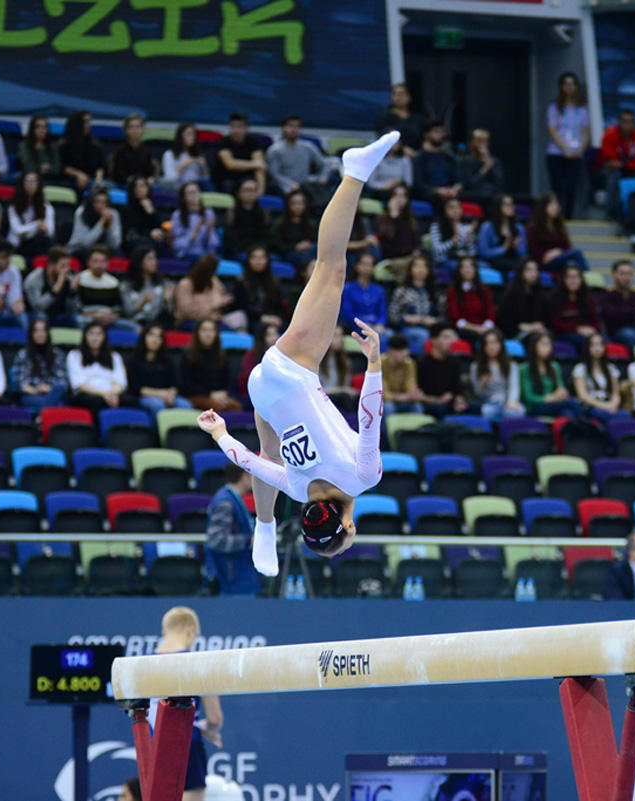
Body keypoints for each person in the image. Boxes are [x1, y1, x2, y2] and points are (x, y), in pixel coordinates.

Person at [197, 132, 398, 570]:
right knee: (268, 455)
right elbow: (247, 459)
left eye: (347, 541)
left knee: (331, 268)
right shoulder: (295, 489)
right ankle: (264, 530)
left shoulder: (365, 478)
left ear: (346, 527)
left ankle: (354, 172)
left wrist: (374, 363)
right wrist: (217, 433)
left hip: (290, 370)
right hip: (263, 393)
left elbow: (370, 417)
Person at [153, 606, 223, 801]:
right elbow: (215, 718)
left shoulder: (143, 664)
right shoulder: (198, 663)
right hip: (187, 744)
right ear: (190, 631)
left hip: (153, 747)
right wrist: (210, 728)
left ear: (164, 632)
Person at [205, 462, 260, 594]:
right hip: (230, 580)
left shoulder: (233, 499)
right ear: (244, 476)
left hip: (239, 577)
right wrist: (248, 541)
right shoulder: (225, 503)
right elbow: (217, 540)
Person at [545, 72, 589, 218]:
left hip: (576, 153)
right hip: (556, 153)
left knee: (571, 188)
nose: (569, 88)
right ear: (561, 87)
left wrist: (580, 150)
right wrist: (565, 149)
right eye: (566, 84)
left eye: (572, 84)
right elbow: (552, 130)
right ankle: (555, 217)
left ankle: (568, 217)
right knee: (557, 187)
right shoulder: (554, 108)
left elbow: (585, 132)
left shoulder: (582, 110)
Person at [128, 322, 193, 418]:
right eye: (151, 335)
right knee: (157, 405)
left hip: (167, 395)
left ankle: (184, 433)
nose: (155, 340)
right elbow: (136, 388)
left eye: (159, 337)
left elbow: (175, 384)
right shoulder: (134, 360)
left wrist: (170, 394)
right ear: (144, 337)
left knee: (186, 405)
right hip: (145, 396)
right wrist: (160, 394)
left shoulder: (168, 360)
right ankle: (158, 433)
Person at [266, 114, 331, 205]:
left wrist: (322, 178)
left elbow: (324, 165)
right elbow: (274, 174)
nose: (293, 130)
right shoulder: (275, 150)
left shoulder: (308, 147)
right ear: (283, 128)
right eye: (290, 126)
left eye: (297, 127)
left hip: (306, 186)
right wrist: (289, 184)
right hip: (284, 189)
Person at [182, 318, 241, 411]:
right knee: (217, 407)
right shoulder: (188, 355)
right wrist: (210, 394)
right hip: (197, 396)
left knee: (236, 406)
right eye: (204, 330)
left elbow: (227, 379)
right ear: (197, 333)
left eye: (211, 330)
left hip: (218, 396)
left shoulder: (222, 355)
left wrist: (223, 393)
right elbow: (187, 384)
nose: (208, 334)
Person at [599, 109, 635, 220]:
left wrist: (624, 165)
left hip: (630, 169)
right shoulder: (610, 134)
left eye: (631, 122)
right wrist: (624, 164)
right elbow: (610, 161)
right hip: (611, 170)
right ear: (619, 122)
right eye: (625, 121)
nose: (628, 125)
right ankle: (610, 213)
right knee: (614, 176)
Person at [67, 321, 127, 411]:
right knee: (95, 402)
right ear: (85, 336)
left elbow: (120, 382)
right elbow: (79, 385)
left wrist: (111, 394)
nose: (95, 338)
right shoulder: (74, 355)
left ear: (104, 337)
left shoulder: (114, 356)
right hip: (87, 394)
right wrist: (104, 394)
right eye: (91, 334)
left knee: (132, 401)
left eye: (99, 334)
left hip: (112, 393)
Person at [11, 318, 68, 410]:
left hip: (53, 392)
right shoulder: (23, 354)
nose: (40, 334)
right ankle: (45, 413)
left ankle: (41, 417)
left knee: (58, 390)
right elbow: (19, 383)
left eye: (43, 331)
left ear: (48, 334)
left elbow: (63, 382)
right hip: (31, 395)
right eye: (36, 331)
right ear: (31, 334)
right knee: (50, 403)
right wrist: (36, 390)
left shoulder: (58, 354)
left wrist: (49, 388)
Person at [388, 255, 441, 351]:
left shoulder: (433, 292)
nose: (421, 270)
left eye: (424, 266)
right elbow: (392, 316)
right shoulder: (401, 291)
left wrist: (434, 321)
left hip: (431, 329)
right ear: (410, 270)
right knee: (423, 336)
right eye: (417, 266)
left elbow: (442, 316)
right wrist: (406, 319)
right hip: (406, 328)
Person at [519, 331, 578, 417]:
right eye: (543, 344)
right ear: (534, 347)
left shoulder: (554, 366)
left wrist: (562, 392)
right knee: (572, 403)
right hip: (535, 407)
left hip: (554, 404)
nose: (548, 348)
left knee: (567, 413)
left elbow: (560, 386)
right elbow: (527, 397)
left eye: (549, 344)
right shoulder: (524, 368)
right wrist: (549, 398)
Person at [526, 193, 589, 273]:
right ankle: (588, 276)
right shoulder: (532, 227)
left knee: (573, 261)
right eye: (552, 204)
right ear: (544, 206)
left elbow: (568, 247)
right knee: (577, 253)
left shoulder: (560, 227)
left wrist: (558, 252)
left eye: (557, 204)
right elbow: (533, 249)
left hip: (559, 259)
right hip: (542, 262)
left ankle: (585, 278)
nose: (556, 207)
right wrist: (547, 255)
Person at [74, 245, 132, 330]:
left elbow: (118, 308)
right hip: (87, 318)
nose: (99, 265)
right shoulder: (80, 279)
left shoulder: (113, 282)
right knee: (79, 321)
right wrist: (93, 315)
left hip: (109, 319)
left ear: (107, 263)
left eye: (102, 262)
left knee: (133, 327)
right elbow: (76, 307)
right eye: (95, 261)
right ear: (88, 262)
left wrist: (112, 317)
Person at [470, 329, 523, 420]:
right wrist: (482, 384)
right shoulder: (475, 366)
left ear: (501, 345)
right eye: (487, 343)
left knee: (514, 413)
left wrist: (512, 401)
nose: (491, 347)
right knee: (486, 412)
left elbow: (514, 386)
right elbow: (478, 394)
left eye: (494, 343)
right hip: (488, 403)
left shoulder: (510, 364)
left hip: (508, 400)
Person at [173, 254, 235, 330]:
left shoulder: (214, 281)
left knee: (230, 333)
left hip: (214, 320)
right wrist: (213, 306)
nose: (213, 273)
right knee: (208, 331)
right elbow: (187, 312)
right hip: (190, 321)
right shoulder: (185, 285)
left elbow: (222, 296)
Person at [419, 323, 469, 416]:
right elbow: (418, 394)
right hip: (429, 405)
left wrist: (459, 399)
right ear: (434, 340)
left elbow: (457, 388)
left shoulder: (454, 362)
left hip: (450, 403)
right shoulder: (422, 363)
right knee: (439, 409)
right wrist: (438, 400)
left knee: (476, 408)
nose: (451, 342)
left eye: (451, 338)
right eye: (446, 337)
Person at [571, 332, 623, 421]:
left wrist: (613, 405)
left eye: (600, 345)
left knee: (625, 415)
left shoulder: (611, 368)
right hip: (591, 406)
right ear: (587, 348)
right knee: (606, 416)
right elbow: (582, 396)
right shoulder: (580, 369)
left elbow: (616, 394)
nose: (597, 349)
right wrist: (604, 406)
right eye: (593, 345)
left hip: (608, 403)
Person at [547, 263, 599, 349]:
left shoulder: (588, 299)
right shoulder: (554, 298)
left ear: (581, 280)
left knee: (602, 340)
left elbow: (596, 322)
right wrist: (577, 329)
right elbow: (555, 324)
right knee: (584, 341)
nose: (573, 280)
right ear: (563, 279)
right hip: (564, 333)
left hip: (586, 332)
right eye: (569, 277)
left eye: (576, 277)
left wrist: (592, 330)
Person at [234, 245, 284, 332]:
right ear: (248, 260)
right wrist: (262, 318)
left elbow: (278, 305)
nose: (258, 261)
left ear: (267, 260)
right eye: (254, 258)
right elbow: (241, 306)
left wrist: (276, 318)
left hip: (272, 319)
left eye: (261, 258)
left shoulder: (274, 281)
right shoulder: (241, 281)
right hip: (251, 320)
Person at [23, 246, 77, 327]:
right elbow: (37, 307)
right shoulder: (34, 279)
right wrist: (56, 289)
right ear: (51, 265)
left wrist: (72, 291)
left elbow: (71, 311)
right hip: (34, 316)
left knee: (76, 318)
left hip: (58, 316)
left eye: (68, 266)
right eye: (63, 266)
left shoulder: (68, 279)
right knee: (41, 317)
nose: (67, 270)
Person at [496, 257, 548, 340]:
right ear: (521, 272)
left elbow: (545, 318)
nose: (534, 274)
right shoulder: (510, 294)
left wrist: (539, 325)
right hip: (516, 333)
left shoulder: (541, 295)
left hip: (536, 331)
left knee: (548, 337)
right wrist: (522, 327)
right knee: (536, 339)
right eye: (529, 270)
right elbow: (504, 320)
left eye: (536, 270)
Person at [7, 171, 55, 260]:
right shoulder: (13, 206)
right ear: (22, 184)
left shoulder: (46, 206)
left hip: (39, 242)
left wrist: (45, 229)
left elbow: (51, 231)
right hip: (18, 245)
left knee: (45, 242)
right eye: (28, 182)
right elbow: (17, 230)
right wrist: (37, 225)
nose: (31, 185)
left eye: (34, 182)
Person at [216, 112, 267, 194]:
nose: (235, 130)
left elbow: (260, 167)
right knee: (227, 185)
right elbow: (230, 164)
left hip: (249, 178)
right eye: (232, 126)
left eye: (239, 127)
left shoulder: (254, 142)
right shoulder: (223, 142)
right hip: (230, 178)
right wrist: (254, 164)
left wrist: (261, 190)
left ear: (246, 128)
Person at [122, 246, 173, 328]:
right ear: (140, 261)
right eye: (150, 259)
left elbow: (171, 313)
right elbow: (128, 312)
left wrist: (167, 300)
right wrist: (142, 302)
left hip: (157, 323)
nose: (155, 262)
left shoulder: (163, 283)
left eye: (155, 258)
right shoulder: (127, 285)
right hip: (134, 324)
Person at [376, 183, 421, 275]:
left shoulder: (411, 219)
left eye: (403, 196)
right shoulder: (382, 218)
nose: (400, 199)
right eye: (396, 195)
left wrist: (416, 251)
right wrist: (394, 217)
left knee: (420, 265)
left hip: (409, 259)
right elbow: (390, 243)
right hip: (392, 259)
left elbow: (416, 242)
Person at [446, 256, 495, 339]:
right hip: (464, 329)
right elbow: (455, 318)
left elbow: (490, 313)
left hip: (484, 328)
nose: (467, 270)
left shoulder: (485, 290)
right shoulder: (453, 291)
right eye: (464, 267)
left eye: (470, 267)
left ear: (475, 270)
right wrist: (475, 329)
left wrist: (485, 327)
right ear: (459, 270)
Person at [413, 120, 461, 205]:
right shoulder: (419, 158)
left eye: (442, 131)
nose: (440, 135)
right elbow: (419, 184)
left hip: (450, 193)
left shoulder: (450, 157)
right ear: (426, 134)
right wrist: (438, 191)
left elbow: (459, 179)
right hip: (430, 194)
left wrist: (455, 189)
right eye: (436, 132)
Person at [477, 193, 527, 273]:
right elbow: (483, 252)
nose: (510, 207)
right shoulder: (488, 227)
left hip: (513, 261)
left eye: (512, 204)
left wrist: (516, 246)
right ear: (498, 207)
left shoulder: (519, 227)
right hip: (493, 262)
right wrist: (503, 248)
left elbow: (523, 253)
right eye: (506, 204)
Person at [340, 252, 388, 334]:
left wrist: (380, 324)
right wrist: (362, 325)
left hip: (375, 326)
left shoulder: (379, 290)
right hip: (355, 327)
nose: (367, 268)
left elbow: (382, 313)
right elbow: (347, 313)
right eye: (364, 264)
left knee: (387, 335)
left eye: (370, 265)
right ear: (356, 266)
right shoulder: (348, 288)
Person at [268, 189, 317, 270]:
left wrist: (308, 245)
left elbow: (316, 240)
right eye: (294, 203)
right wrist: (295, 247)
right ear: (288, 205)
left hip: (308, 252)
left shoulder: (311, 223)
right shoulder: (279, 224)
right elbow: (275, 245)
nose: (297, 206)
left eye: (300, 203)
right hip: (289, 253)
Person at [58, 110, 105, 192]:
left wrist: (99, 177)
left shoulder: (94, 144)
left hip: (92, 181)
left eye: (89, 122)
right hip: (70, 182)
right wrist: (78, 174)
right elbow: (62, 167)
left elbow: (100, 166)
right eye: (85, 122)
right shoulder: (64, 145)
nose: (88, 125)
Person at [68, 188, 123, 256]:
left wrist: (110, 225)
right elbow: (85, 244)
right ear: (91, 202)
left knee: (118, 254)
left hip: (104, 248)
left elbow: (115, 245)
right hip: (79, 248)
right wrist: (101, 222)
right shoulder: (81, 212)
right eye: (97, 202)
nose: (101, 206)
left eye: (104, 202)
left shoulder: (113, 214)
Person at [459, 129, 505, 210]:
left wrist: (488, 161)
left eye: (485, 141)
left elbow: (499, 183)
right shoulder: (465, 161)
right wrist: (485, 169)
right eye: (479, 141)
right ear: (472, 142)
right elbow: (470, 184)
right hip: (473, 197)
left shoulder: (495, 161)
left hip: (492, 197)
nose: (483, 144)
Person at [430, 196, 478, 273]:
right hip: (444, 261)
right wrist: (452, 241)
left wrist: (469, 239)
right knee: (460, 267)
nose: (455, 211)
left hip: (463, 261)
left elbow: (473, 253)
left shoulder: (466, 227)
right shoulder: (437, 226)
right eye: (451, 208)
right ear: (444, 210)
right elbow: (437, 250)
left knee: (484, 265)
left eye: (458, 207)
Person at [170, 182, 217, 261]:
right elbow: (176, 244)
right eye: (191, 193)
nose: (195, 195)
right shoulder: (177, 215)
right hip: (186, 253)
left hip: (205, 253)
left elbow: (213, 244)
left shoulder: (208, 212)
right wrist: (194, 233)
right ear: (183, 198)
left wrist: (209, 231)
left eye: (197, 192)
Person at [375, 83, 426, 155]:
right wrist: (402, 149)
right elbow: (383, 139)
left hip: (417, 156)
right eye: (394, 94)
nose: (398, 97)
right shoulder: (385, 118)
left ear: (409, 97)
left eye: (401, 94)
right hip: (394, 158)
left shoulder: (418, 119)